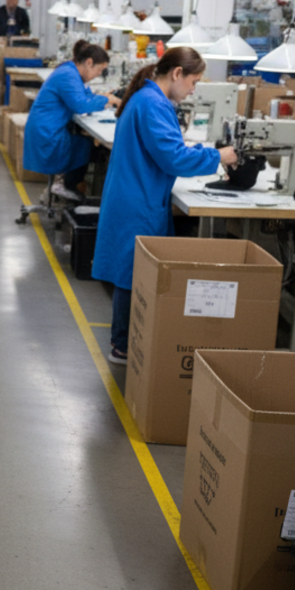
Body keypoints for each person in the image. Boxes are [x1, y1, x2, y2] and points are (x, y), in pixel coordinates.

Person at [92, 48, 237, 365]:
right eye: (194, 82)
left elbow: (167, 149)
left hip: (136, 192)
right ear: (176, 74)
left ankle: (125, 342)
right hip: (137, 198)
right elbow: (173, 158)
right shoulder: (153, 104)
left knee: (133, 271)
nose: (193, 89)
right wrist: (219, 157)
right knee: (133, 273)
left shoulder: (148, 99)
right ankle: (122, 346)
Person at [23, 41, 118, 202]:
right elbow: (80, 105)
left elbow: (83, 96)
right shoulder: (68, 75)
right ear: (89, 63)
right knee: (88, 146)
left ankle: (61, 182)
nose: (98, 75)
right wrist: (108, 99)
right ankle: (65, 184)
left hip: (47, 129)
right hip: (47, 134)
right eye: (100, 70)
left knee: (86, 142)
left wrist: (102, 97)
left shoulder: (70, 72)